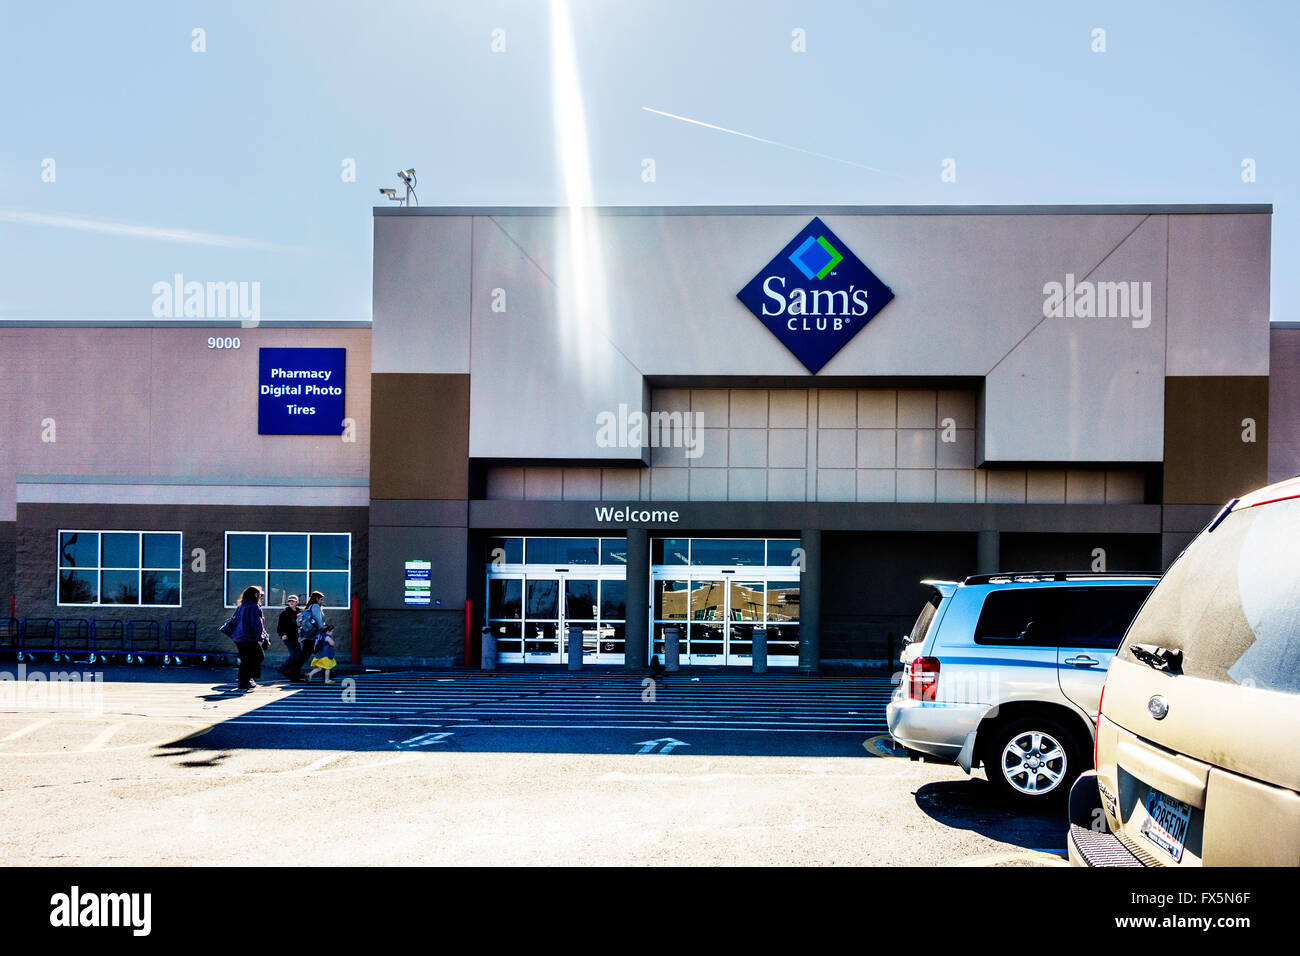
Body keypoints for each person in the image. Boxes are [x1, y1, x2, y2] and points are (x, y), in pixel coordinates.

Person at [230, 585, 269, 691]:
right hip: (248, 637)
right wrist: (260, 638)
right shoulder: (254, 606)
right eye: (260, 595)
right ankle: (246, 679)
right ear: (255, 595)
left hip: (238, 637)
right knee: (258, 657)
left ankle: (244, 680)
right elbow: (257, 624)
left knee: (246, 660)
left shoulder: (242, 605)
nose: (261, 597)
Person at [275, 594, 305, 680]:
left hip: (297, 637)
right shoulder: (285, 613)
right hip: (288, 637)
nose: (291, 602)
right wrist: (282, 634)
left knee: (298, 655)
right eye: (290, 601)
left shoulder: (299, 612)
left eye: (293, 601)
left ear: (297, 602)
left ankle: (295, 672)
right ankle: (284, 669)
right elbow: (280, 626)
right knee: (294, 655)